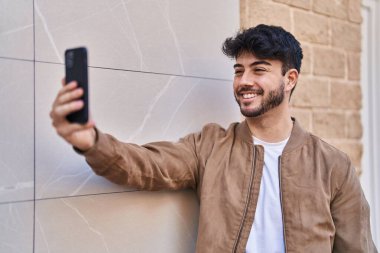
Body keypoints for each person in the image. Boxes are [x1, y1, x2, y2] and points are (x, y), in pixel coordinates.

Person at [50, 24, 377, 252]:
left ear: (289, 79)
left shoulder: (333, 166)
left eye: (258, 69)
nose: (244, 80)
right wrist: (91, 141)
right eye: (238, 70)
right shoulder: (210, 146)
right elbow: (148, 165)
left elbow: (357, 247)